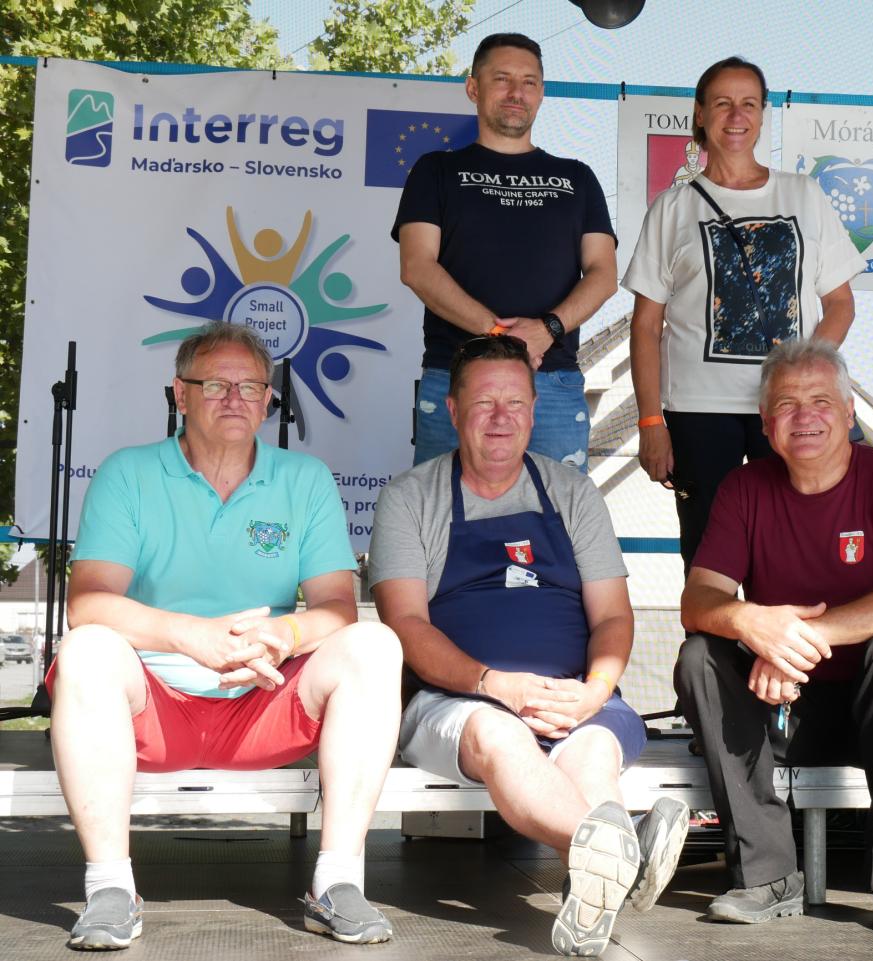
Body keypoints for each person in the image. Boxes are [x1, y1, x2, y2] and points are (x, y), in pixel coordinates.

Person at [49, 323, 403, 950]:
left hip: (263, 704)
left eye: (251, 387)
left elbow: (336, 609)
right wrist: (191, 636)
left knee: (375, 645)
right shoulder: (129, 473)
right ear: (180, 395)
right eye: (215, 384)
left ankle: (338, 883)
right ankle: (110, 889)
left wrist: (283, 633)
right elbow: (88, 602)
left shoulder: (304, 478)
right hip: (152, 708)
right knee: (86, 649)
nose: (235, 398)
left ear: (269, 402)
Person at [368, 334, 689, 957]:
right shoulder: (411, 497)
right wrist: (494, 685)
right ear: (453, 410)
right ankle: (629, 849)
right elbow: (405, 625)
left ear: (534, 411)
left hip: (574, 696)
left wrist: (593, 692)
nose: (500, 417)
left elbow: (613, 617)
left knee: (593, 750)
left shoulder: (572, 493)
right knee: (500, 736)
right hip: (458, 701)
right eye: (483, 402)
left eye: (515, 402)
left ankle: (594, 894)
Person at [674, 339, 873, 931]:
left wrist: (796, 640)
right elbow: (698, 601)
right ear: (765, 423)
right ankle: (766, 877)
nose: (805, 416)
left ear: (849, 413)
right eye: (786, 404)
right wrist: (751, 623)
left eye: (821, 401)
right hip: (783, 713)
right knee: (700, 656)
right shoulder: (743, 488)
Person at [624, 56, 864, 571]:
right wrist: (650, 421)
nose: (737, 116)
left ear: (762, 114)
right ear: (700, 114)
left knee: (796, 549)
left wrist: (803, 379)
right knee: (707, 554)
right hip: (696, 410)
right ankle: (710, 629)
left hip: (786, 408)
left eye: (749, 104)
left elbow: (840, 303)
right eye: (723, 103)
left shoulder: (803, 194)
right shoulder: (672, 207)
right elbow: (645, 326)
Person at [394, 32, 617, 472]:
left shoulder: (577, 177)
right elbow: (417, 267)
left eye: (529, 82)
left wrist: (548, 328)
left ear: (541, 93)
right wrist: (499, 336)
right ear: (473, 88)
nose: (517, 92)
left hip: (551, 383)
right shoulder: (436, 170)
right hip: (457, 377)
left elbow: (603, 273)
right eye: (502, 78)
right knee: (443, 510)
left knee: (556, 511)